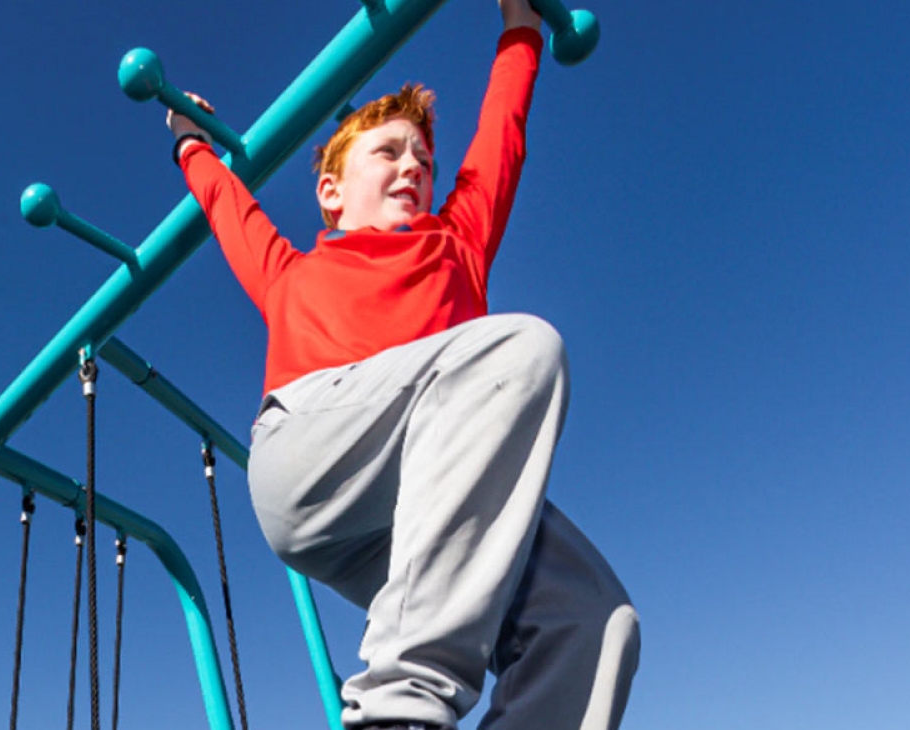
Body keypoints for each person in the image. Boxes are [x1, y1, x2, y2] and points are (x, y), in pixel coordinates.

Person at [168, 2, 639, 728]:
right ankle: (399, 713)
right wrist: (190, 142)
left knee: (593, 618)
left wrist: (521, 26)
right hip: (314, 454)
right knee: (521, 349)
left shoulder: (456, 244)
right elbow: (230, 208)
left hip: (415, 504)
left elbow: (499, 139)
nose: (413, 166)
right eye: (388, 153)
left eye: (423, 158)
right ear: (330, 191)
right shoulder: (292, 271)